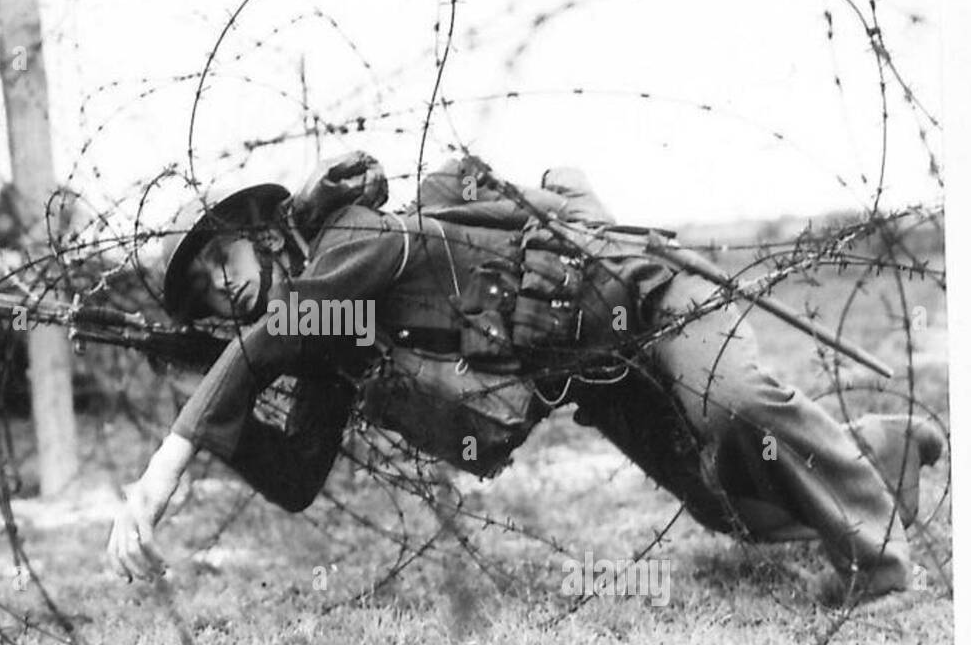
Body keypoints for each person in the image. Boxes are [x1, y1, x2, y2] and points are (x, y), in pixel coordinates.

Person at [106, 151, 942, 605]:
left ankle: (881, 568)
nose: (226, 284)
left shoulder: (352, 239)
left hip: (641, 293)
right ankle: (878, 454)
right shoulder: (336, 339)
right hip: (591, 375)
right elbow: (293, 476)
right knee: (732, 510)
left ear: (260, 229)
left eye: (224, 257)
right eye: (206, 292)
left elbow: (275, 337)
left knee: (737, 406)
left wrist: (162, 471)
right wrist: (210, 410)